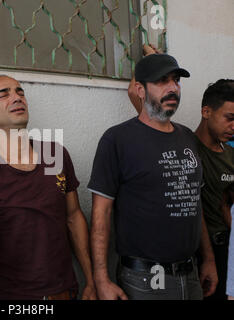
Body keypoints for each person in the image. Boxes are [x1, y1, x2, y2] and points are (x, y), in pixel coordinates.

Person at [0, 75, 96, 300]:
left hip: (66, 293)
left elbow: (73, 216)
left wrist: (91, 280)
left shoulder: (55, 155)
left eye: (20, 92)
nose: (16, 98)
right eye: (4, 94)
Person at [89, 54, 218, 300]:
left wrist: (208, 259)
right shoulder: (117, 140)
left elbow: (193, 201)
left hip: (190, 274)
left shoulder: (188, 137)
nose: (172, 88)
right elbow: (101, 215)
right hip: (144, 280)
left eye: (176, 81)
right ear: (140, 89)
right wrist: (101, 279)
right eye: (162, 81)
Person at [194, 79, 234, 300]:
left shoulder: (231, 155)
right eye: (229, 118)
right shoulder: (185, 146)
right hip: (198, 255)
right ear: (206, 111)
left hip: (228, 249)